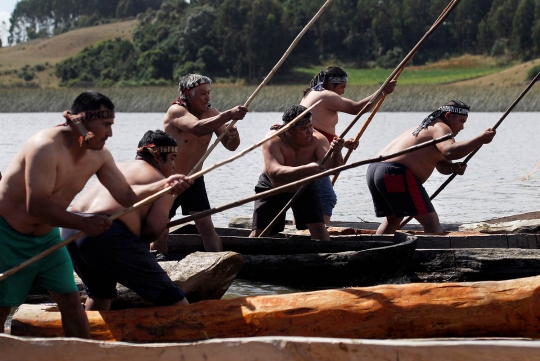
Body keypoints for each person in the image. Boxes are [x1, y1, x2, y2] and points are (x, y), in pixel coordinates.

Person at [0, 91, 190, 338]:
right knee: (3, 307)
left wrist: (164, 185)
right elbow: (35, 206)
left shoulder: (99, 155)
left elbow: (127, 196)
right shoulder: (44, 147)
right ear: (82, 121)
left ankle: (82, 354)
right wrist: (83, 223)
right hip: (9, 235)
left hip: (49, 238)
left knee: (71, 303)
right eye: (106, 125)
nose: (110, 133)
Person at [62, 130, 192, 311]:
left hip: (72, 230)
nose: (173, 164)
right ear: (158, 156)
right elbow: (154, 229)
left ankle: (87, 335)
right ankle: (194, 335)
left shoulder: (116, 168)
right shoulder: (163, 183)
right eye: (172, 158)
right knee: (173, 298)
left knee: (100, 293)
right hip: (106, 233)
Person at [366, 100, 496, 234]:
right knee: (431, 222)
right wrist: (480, 139)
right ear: (449, 116)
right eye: (462, 121)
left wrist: (452, 168)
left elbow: (442, 164)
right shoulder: (441, 128)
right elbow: (451, 152)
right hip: (395, 173)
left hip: (375, 170)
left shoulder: (427, 128)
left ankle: (378, 247)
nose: (462, 127)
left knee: (393, 220)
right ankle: (437, 254)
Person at [161, 74, 248, 253]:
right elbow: (197, 128)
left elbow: (231, 146)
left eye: (208, 93)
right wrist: (228, 115)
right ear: (188, 94)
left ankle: (218, 263)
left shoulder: (212, 114)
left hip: (193, 179)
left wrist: (234, 135)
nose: (207, 98)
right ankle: (156, 264)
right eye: (202, 93)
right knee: (160, 228)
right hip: (169, 180)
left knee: (206, 226)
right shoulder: (176, 111)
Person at [300, 66, 397, 224]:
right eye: (342, 87)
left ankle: (308, 230)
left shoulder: (314, 94)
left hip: (311, 151)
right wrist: (382, 91)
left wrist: (343, 142)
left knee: (309, 196)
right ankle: (319, 235)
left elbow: (318, 128)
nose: (342, 92)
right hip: (313, 155)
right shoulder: (326, 95)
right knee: (326, 198)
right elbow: (357, 108)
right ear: (331, 85)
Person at [249, 104, 344, 240]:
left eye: (311, 126)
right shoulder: (273, 140)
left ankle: (325, 257)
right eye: (303, 129)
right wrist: (307, 168)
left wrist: (336, 152)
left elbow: (335, 169)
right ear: (289, 130)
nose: (309, 132)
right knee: (260, 233)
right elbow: (275, 174)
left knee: (319, 230)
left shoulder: (318, 140)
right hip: (274, 186)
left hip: (304, 184)